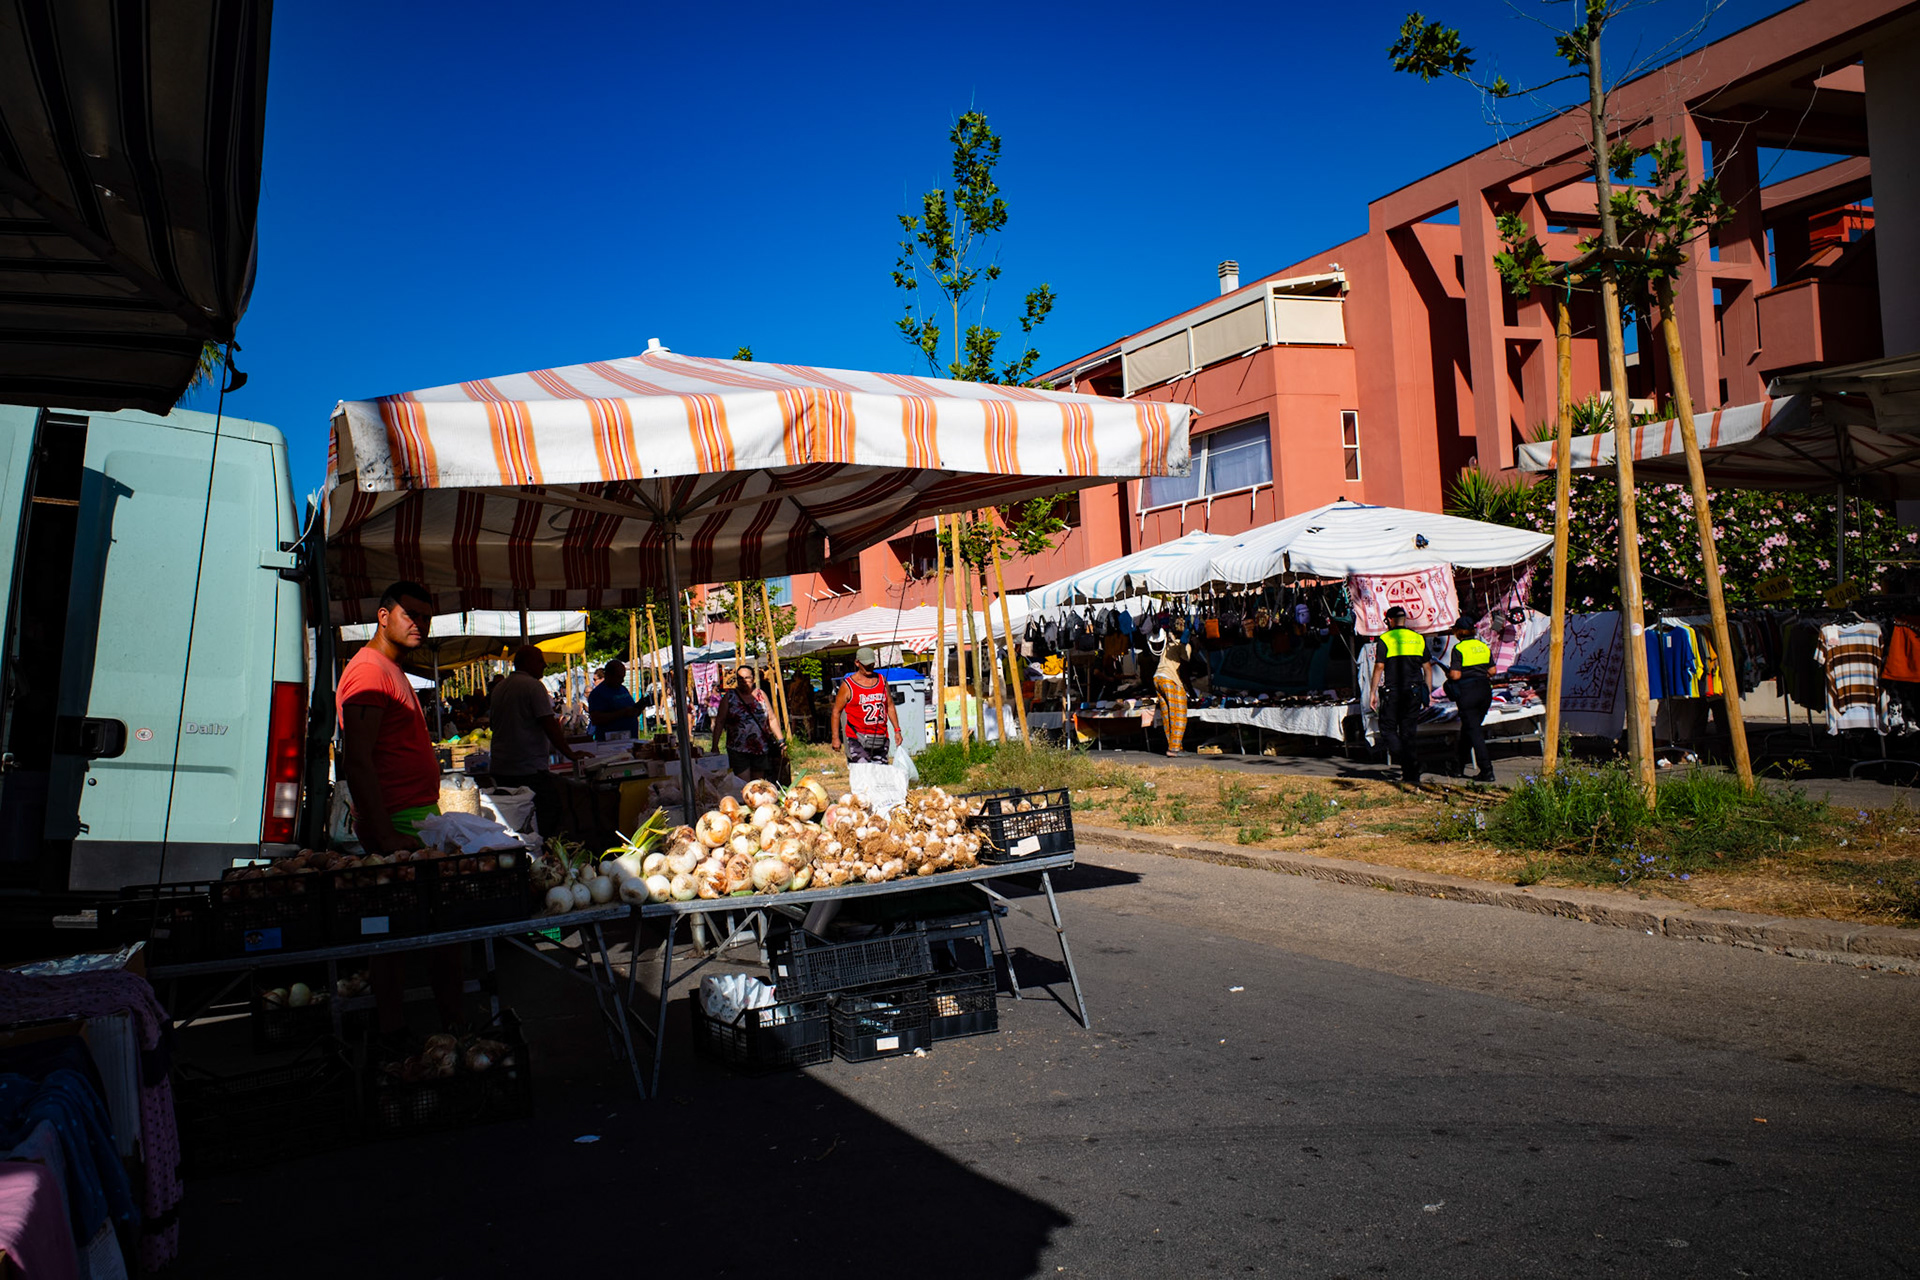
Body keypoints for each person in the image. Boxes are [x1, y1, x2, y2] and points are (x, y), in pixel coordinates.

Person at [335, 580, 465, 1042]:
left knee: (403, 932)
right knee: (421, 933)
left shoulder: (388, 668)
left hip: (412, 816)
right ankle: (423, 1029)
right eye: (409, 614)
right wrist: (386, 833)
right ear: (383, 616)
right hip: (399, 821)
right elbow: (357, 760)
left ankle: (416, 1029)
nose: (419, 624)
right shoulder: (369, 671)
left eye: (425, 617)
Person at [488, 645, 589, 836]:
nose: (544, 665)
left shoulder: (499, 688)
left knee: (514, 819)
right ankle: (543, 853)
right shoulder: (533, 687)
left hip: (502, 767)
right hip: (527, 768)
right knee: (546, 813)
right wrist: (570, 753)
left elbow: (495, 725)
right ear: (527, 663)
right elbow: (549, 724)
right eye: (540, 660)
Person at [1370, 605, 1432, 785]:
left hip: (1393, 692)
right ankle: (1410, 774)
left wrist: (1373, 692)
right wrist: (1425, 691)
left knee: (1388, 729)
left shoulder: (1385, 639)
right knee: (1408, 733)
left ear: (1389, 620)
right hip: (1413, 692)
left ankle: (1410, 764)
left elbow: (1380, 667)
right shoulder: (1417, 638)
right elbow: (1427, 668)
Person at [1444, 615, 1496, 782]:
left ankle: (1487, 770)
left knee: (1474, 732)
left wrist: (1448, 673)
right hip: (1484, 690)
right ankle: (1457, 767)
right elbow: (1493, 671)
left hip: (1467, 692)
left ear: (1458, 632)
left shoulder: (1458, 649)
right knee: (1469, 728)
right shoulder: (1483, 646)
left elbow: (1456, 674)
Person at [712, 662, 785, 780]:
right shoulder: (730, 697)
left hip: (760, 747)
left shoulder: (761, 695)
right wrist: (715, 745)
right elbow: (720, 721)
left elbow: (771, 718)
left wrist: (781, 739)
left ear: (753, 678)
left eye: (747, 678)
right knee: (743, 784)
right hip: (738, 748)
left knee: (757, 785)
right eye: (740, 679)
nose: (744, 681)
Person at [831, 647, 900, 763]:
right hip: (857, 738)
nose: (869, 668)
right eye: (866, 665)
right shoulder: (848, 685)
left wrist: (897, 730)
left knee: (880, 775)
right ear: (857, 663)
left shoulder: (882, 681)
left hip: (880, 738)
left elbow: (890, 706)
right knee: (863, 775)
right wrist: (835, 738)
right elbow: (836, 712)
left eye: (872, 664)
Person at [1151, 614, 1192, 757]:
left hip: (1157, 678)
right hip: (1170, 679)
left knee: (1168, 715)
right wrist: (1190, 690)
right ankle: (1174, 749)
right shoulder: (1183, 645)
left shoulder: (1167, 645)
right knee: (1179, 714)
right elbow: (1185, 667)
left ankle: (1175, 746)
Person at [586, 660, 641, 741]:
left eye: (623, 677)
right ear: (609, 675)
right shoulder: (598, 694)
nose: (622, 680)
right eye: (619, 677)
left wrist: (639, 707)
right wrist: (622, 713)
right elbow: (596, 719)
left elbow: (632, 711)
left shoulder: (623, 689)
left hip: (630, 738)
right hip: (611, 741)